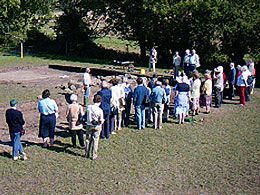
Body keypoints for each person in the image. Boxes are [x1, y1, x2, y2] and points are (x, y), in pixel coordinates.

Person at [84, 95, 104, 160]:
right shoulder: (100, 110)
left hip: (89, 125)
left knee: (87, 139)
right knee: (95, 140)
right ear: (100, 102)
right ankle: (94, 155)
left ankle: (86, 153)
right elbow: (101, 120)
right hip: (97, 126)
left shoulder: (89, 107)